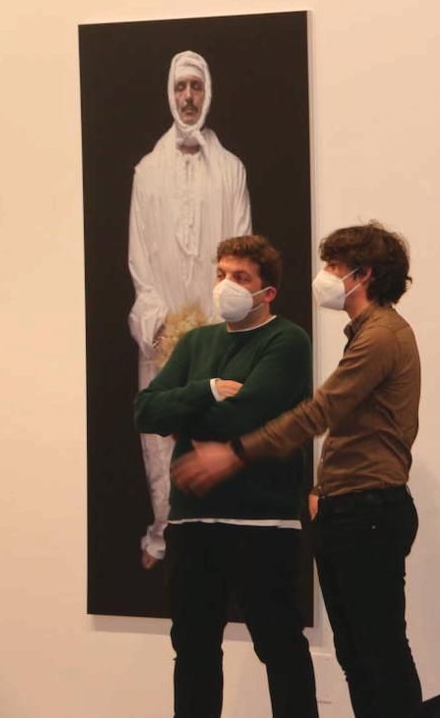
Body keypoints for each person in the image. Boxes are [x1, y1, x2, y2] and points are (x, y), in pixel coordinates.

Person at [174, 222, 423, 718]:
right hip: (349, 507)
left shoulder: (381, 336)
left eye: (333, 266)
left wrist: (234, 452)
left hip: (369, 511)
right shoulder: (369, 334)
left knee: (379, 654)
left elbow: (319, 412)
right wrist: (323, 487)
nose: (326, 275)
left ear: (364, 274)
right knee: (358, 656)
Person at [133, 234, 315, 717]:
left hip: (263, 523)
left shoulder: (288, 340)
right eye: (221, 274)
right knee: (192, 649)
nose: (225, 285)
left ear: (267, 291)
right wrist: (209, 390)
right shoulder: (196, 343)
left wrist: (185, 414)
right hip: (192, 523)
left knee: (280, 647)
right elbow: (146, 412)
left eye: (240, 278)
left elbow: (253, 416)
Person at [129, 49, 252, 568]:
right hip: (163, 330)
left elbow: (243, 246)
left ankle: (214, 539)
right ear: (169, 92)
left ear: (208, 93)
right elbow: (139, 255)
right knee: (160, 435)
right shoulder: (147, 171)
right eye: (180, 87)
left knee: (216, 428)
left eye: (195, 88)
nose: (187, 98)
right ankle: (164, 531)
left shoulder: (230, 169)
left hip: (215, 326)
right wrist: (157, 323)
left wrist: (224, 315)